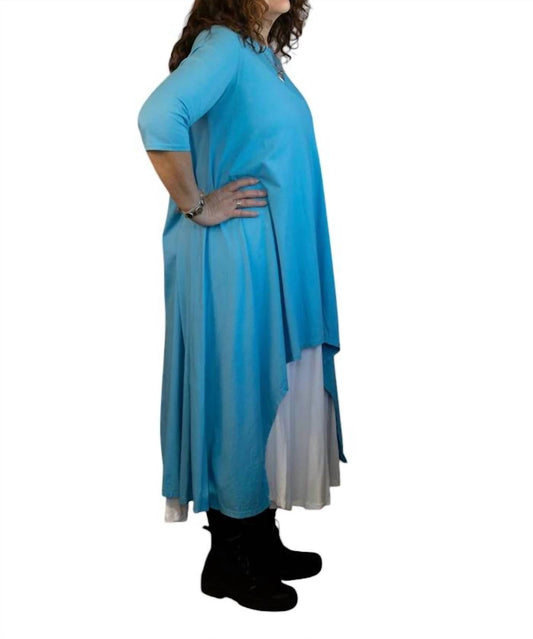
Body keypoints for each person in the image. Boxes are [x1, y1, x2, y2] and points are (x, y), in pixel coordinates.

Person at [137, 0, 347, 612]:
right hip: (235, 254)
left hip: (267, 253)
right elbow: (158, 115)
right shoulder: (224, 45)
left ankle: (258, 536)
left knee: (260, 392)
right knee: (237, 393)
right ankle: (228, 559)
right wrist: (198, 204)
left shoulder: (260, 56)